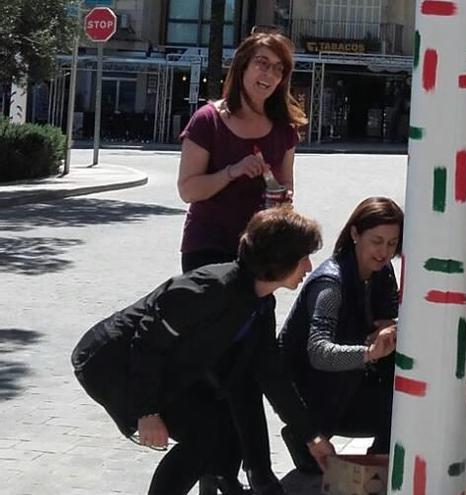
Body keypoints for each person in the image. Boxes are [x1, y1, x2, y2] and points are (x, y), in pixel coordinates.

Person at [71, 207, 335, 495]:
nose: (308, 268)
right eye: (303, 259)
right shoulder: (209, 289)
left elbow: (272, 375)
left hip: (155, 364)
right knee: (203, 435)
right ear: (280, 259)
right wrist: (146, 411)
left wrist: (311, 436)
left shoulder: (260, 304)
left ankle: (219, 482)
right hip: (108, 363)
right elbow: (148, 343)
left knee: (218, 422)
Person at [278, 197, 403, 473]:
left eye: (392, 243)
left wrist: (387, 328)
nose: (384, 252)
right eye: (377, 241)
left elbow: (388, 317)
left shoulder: (381, 272)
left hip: (350, 378)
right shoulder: (330, 284)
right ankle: (307, 433)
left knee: (409, 393)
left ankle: (378, 465)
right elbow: (320, 352)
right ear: (355, 234)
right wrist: (368, 352)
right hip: (315, 388)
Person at [177, 31, 305, 273]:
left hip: (261, 250)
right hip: (208, 247)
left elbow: (286, 185)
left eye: (279, 69)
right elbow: (187, 190)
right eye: (262, 63)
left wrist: (280, 195)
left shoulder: (284, 128)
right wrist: (232, 171)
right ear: (243, 66)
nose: (270, 74)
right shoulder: (207, 120)